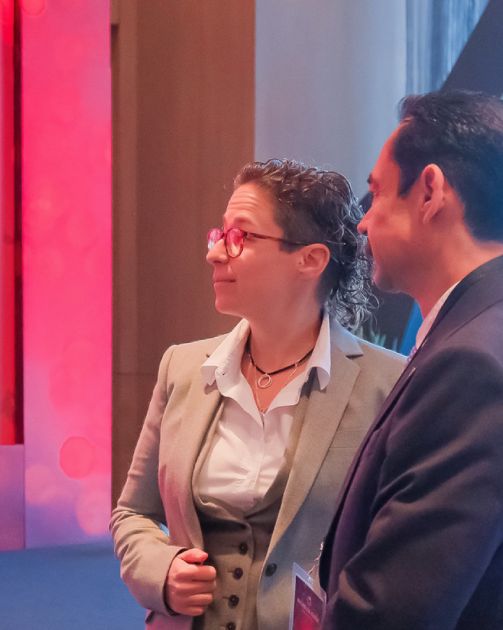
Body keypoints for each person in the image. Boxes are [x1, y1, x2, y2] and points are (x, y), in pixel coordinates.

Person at [319, 90, 503, 630]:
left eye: (376, 194)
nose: (363, 223)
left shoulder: (474, 367)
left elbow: (390, 615)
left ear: (430, 191)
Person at [112, 159, 406, 630]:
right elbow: (133, 512)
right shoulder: (183, 368)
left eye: (241, 237)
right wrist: (160, 572)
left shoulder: (388, 384)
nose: (214, 253)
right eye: (219, 234)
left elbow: (398, 546)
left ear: (310, 260)